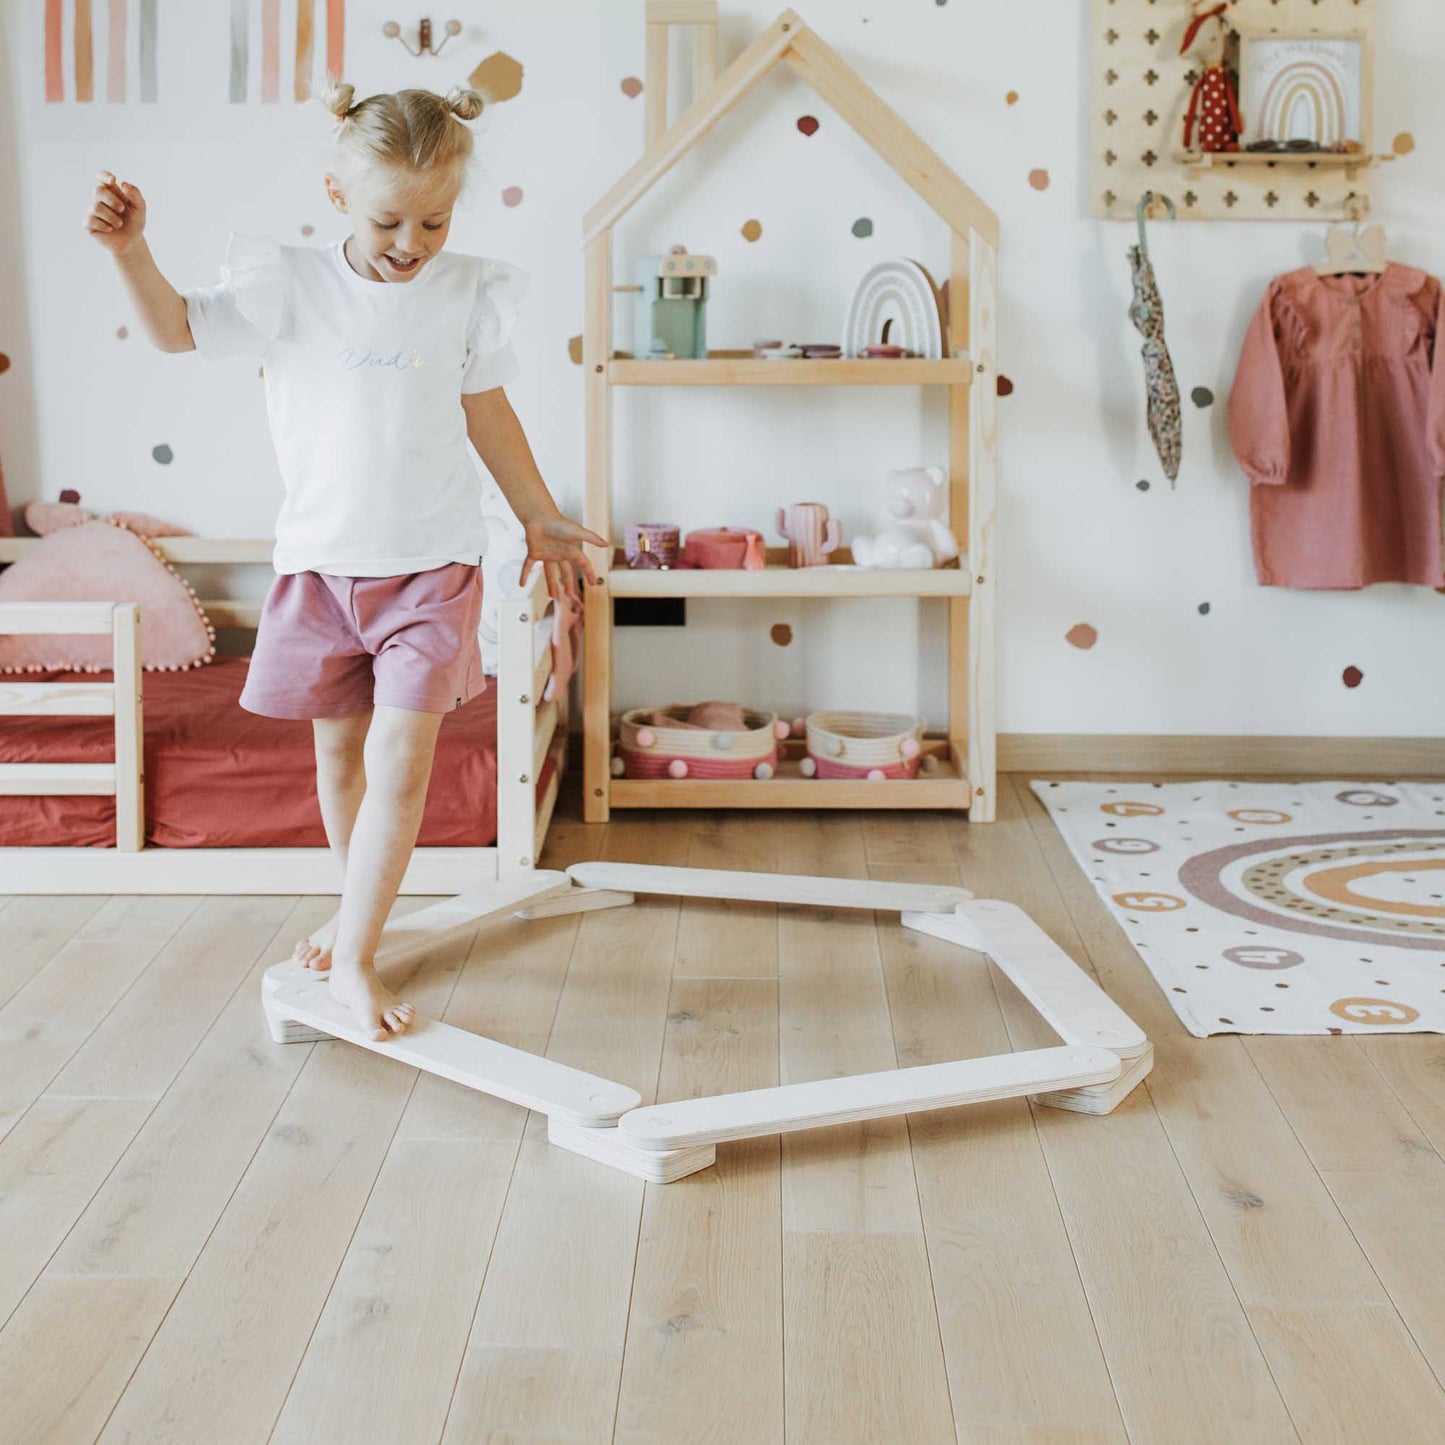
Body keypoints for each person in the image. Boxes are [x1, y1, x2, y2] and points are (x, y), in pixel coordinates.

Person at [86, 80, 605, 1042]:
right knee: (337, 756)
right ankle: (353, 909)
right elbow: (174, 328)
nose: (410, 243)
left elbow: (488, 412)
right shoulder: (288, 287)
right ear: (337, 197)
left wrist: (536, 514)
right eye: (388, 220)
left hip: (432, 570)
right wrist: (131, 253)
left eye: (434, 221)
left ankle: (357, 958)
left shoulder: (466, 295)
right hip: (321, 572)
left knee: (400, 758)